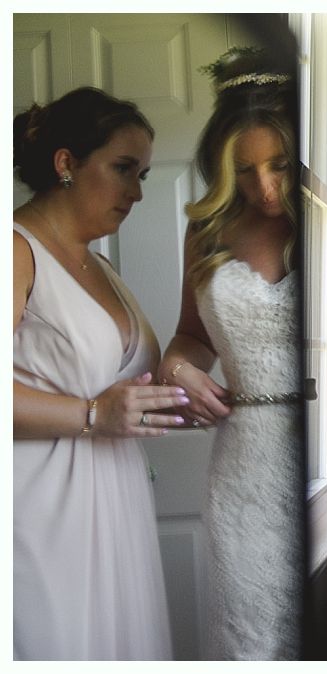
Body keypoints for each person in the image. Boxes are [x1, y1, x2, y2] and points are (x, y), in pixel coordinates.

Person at [12, 87, 186, 659]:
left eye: (142, 173)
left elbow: (118, 388)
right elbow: (95, 402)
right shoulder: (17, 251)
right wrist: (91, 414)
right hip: (40, 508)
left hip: (116, 498)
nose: (137, 191)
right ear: (66, 163)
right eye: (123, 169)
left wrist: (177, 396)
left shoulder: (102, 266)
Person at [157, 47, 304, 659]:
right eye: (244, 171)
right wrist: (178, 367)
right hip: (242, 466)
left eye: (279, 164)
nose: (265, 187)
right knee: (250, 635)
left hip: (323, 449)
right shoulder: (208, 230)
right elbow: (190, 335)